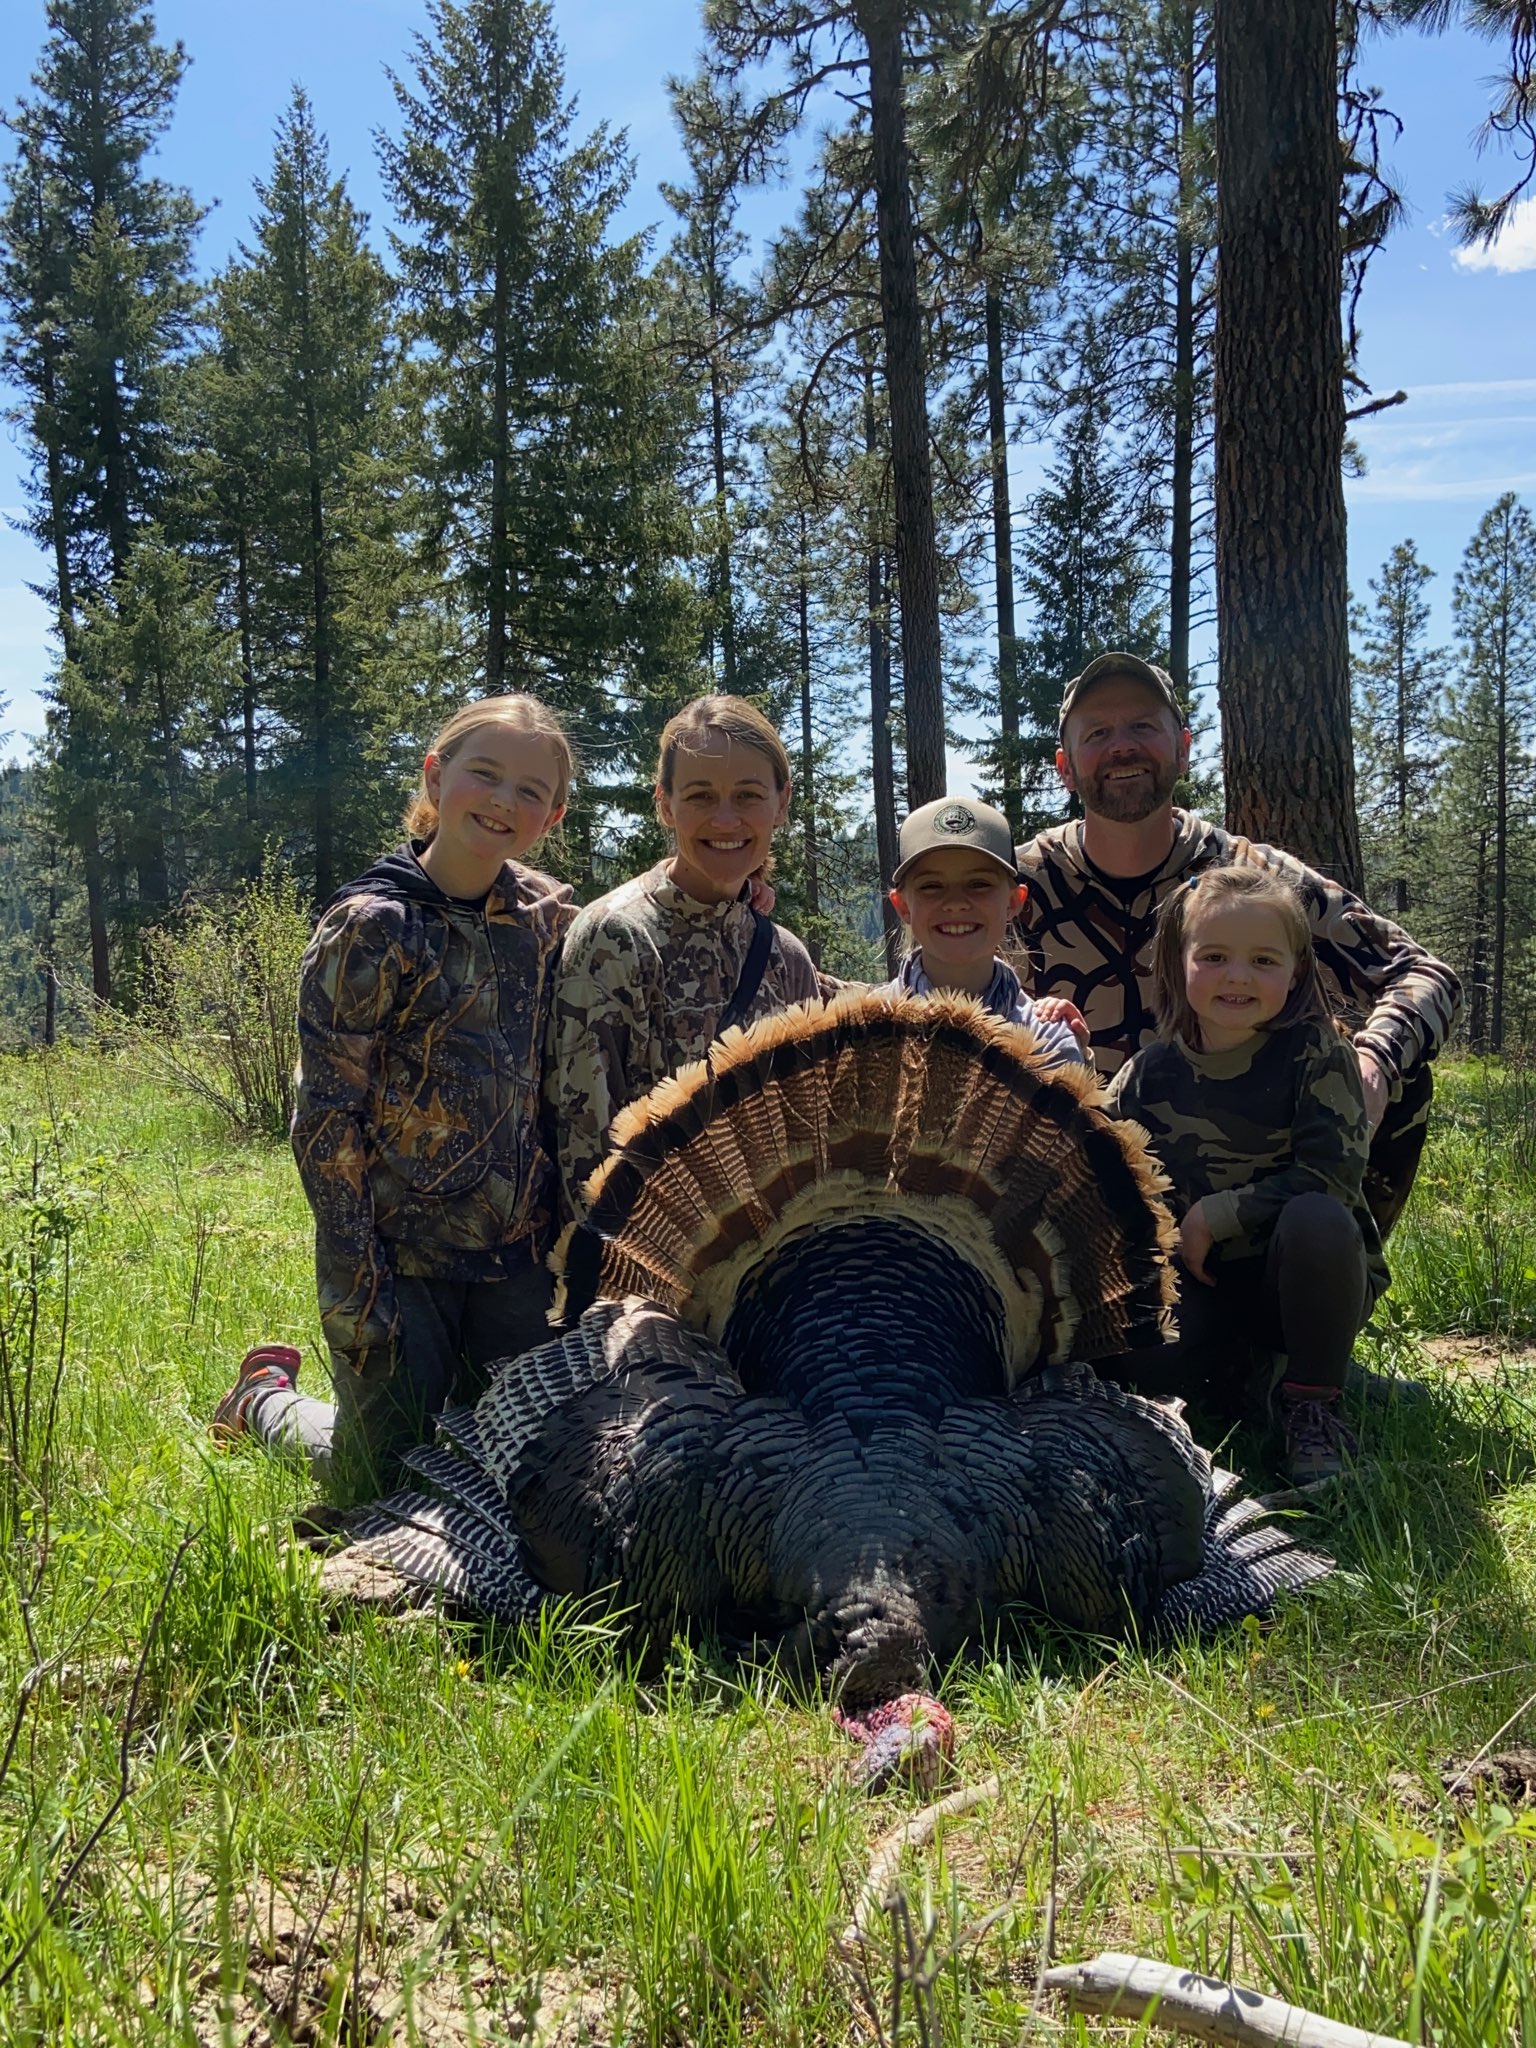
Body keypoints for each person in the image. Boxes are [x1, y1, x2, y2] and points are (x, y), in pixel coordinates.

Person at [211, 694, 576, 1503]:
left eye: (529, 790)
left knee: (514, 1485)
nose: (502, 801)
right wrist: (358, 1284)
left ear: (552, 814)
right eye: (484, 775)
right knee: (382, 1484)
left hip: (513, 1261)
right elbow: (324, 1123)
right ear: (436, 777)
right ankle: (263, 1400)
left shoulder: (546, 917)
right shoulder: (371, 925)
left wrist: (746, 894)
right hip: (396, 1262)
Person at [1017, 651, 1461, 1237]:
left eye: (1143, 726)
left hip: (1234, 1178)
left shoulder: (1253, 880)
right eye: (1097, 733)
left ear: (1182, 746)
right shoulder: (1016, 886)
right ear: (1065, 768)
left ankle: (1310, 1284)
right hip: (1068, 1178)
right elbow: (924, 995)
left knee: (1403, 1077)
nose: (1122, 746)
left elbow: (1426, 975)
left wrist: (1375, 1060)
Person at [1101, 866, 1389, 1484]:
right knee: (1136, 1360)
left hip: (1305, 1281)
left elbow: (1332, 1177)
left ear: (1296, 971)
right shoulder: (1147, 1074)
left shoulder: (1317, 1054)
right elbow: (1105, 1182)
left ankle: (1313, 1406)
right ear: (1180, 965)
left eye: (1263, 959)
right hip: (1204, 1287)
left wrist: (1217, 1213)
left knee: (1318, 1221)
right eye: (1215, 956)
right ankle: (1254, 1377)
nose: (1238, 976)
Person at [550, 694, 821, 1218]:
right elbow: (584, 1158)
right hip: (647, 1274)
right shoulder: (616, 939)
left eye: (747, 795)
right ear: (666, 804)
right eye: (700, 795)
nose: (725, 819)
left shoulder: (786, 959)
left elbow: (809, 1135)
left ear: (781, 803)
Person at [881, 796, 1085, 1068]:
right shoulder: (859, 1032)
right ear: (902, 906)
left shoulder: (1048, 1041)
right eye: (931, 886)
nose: (955, 903)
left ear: (1014, 902)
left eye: (979, 884)